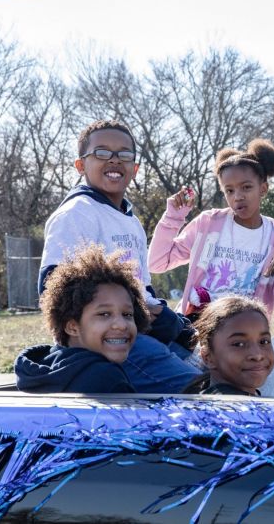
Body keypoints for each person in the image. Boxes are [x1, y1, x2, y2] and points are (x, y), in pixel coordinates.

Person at [38, 119, 201, 393]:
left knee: (214, 366)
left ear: (134, 168)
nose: (114, 161)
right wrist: (138, 314)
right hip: (108, 341)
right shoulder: (77, 214)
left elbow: (142, 289)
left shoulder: (130, 220)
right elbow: (53, 291)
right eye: (102, 153)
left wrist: (169, 320)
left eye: (124, 155)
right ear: (80, 166)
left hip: (140, 330)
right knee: (195, 389)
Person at [148, 138, 274, 397]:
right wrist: (173, 217)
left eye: (246, 187)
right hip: (195, 334)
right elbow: (158, 262)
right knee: (187, 391)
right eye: (229, 190)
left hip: (245, 339)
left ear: (264, 188)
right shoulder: (208, 224)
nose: (237, 196)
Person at [15, 245, 148, 393]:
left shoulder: (38, 370)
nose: (122, 325)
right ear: (72, 326)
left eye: (127, 315)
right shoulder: (106, 378)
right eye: (104, 314)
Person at [187, 296, 274, 396]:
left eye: (264, 341)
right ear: (208, 357)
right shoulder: (230, 408)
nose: (257, 355)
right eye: (239, 344)